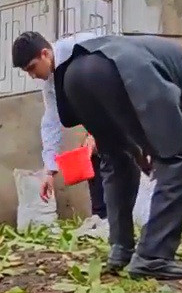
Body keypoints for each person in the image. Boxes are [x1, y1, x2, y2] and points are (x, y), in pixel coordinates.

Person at [49, 35, 182, 278]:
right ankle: (153, 257)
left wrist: (141, 149)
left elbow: (139, 118)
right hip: (119, 69)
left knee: (118, 160)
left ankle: (121, 249)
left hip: (75, 74)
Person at [11, 30, 109, 239]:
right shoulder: (51, 83)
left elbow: (105, 89)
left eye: (32, 68)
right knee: (92, 154)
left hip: (126, 99)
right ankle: (102, 218)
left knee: (108, 153)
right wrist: (49, 170)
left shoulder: (82, 48)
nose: (32, 75)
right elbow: (51, 121)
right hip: (102, 116)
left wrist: (98, 132)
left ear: (45, 54)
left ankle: (114, 222)